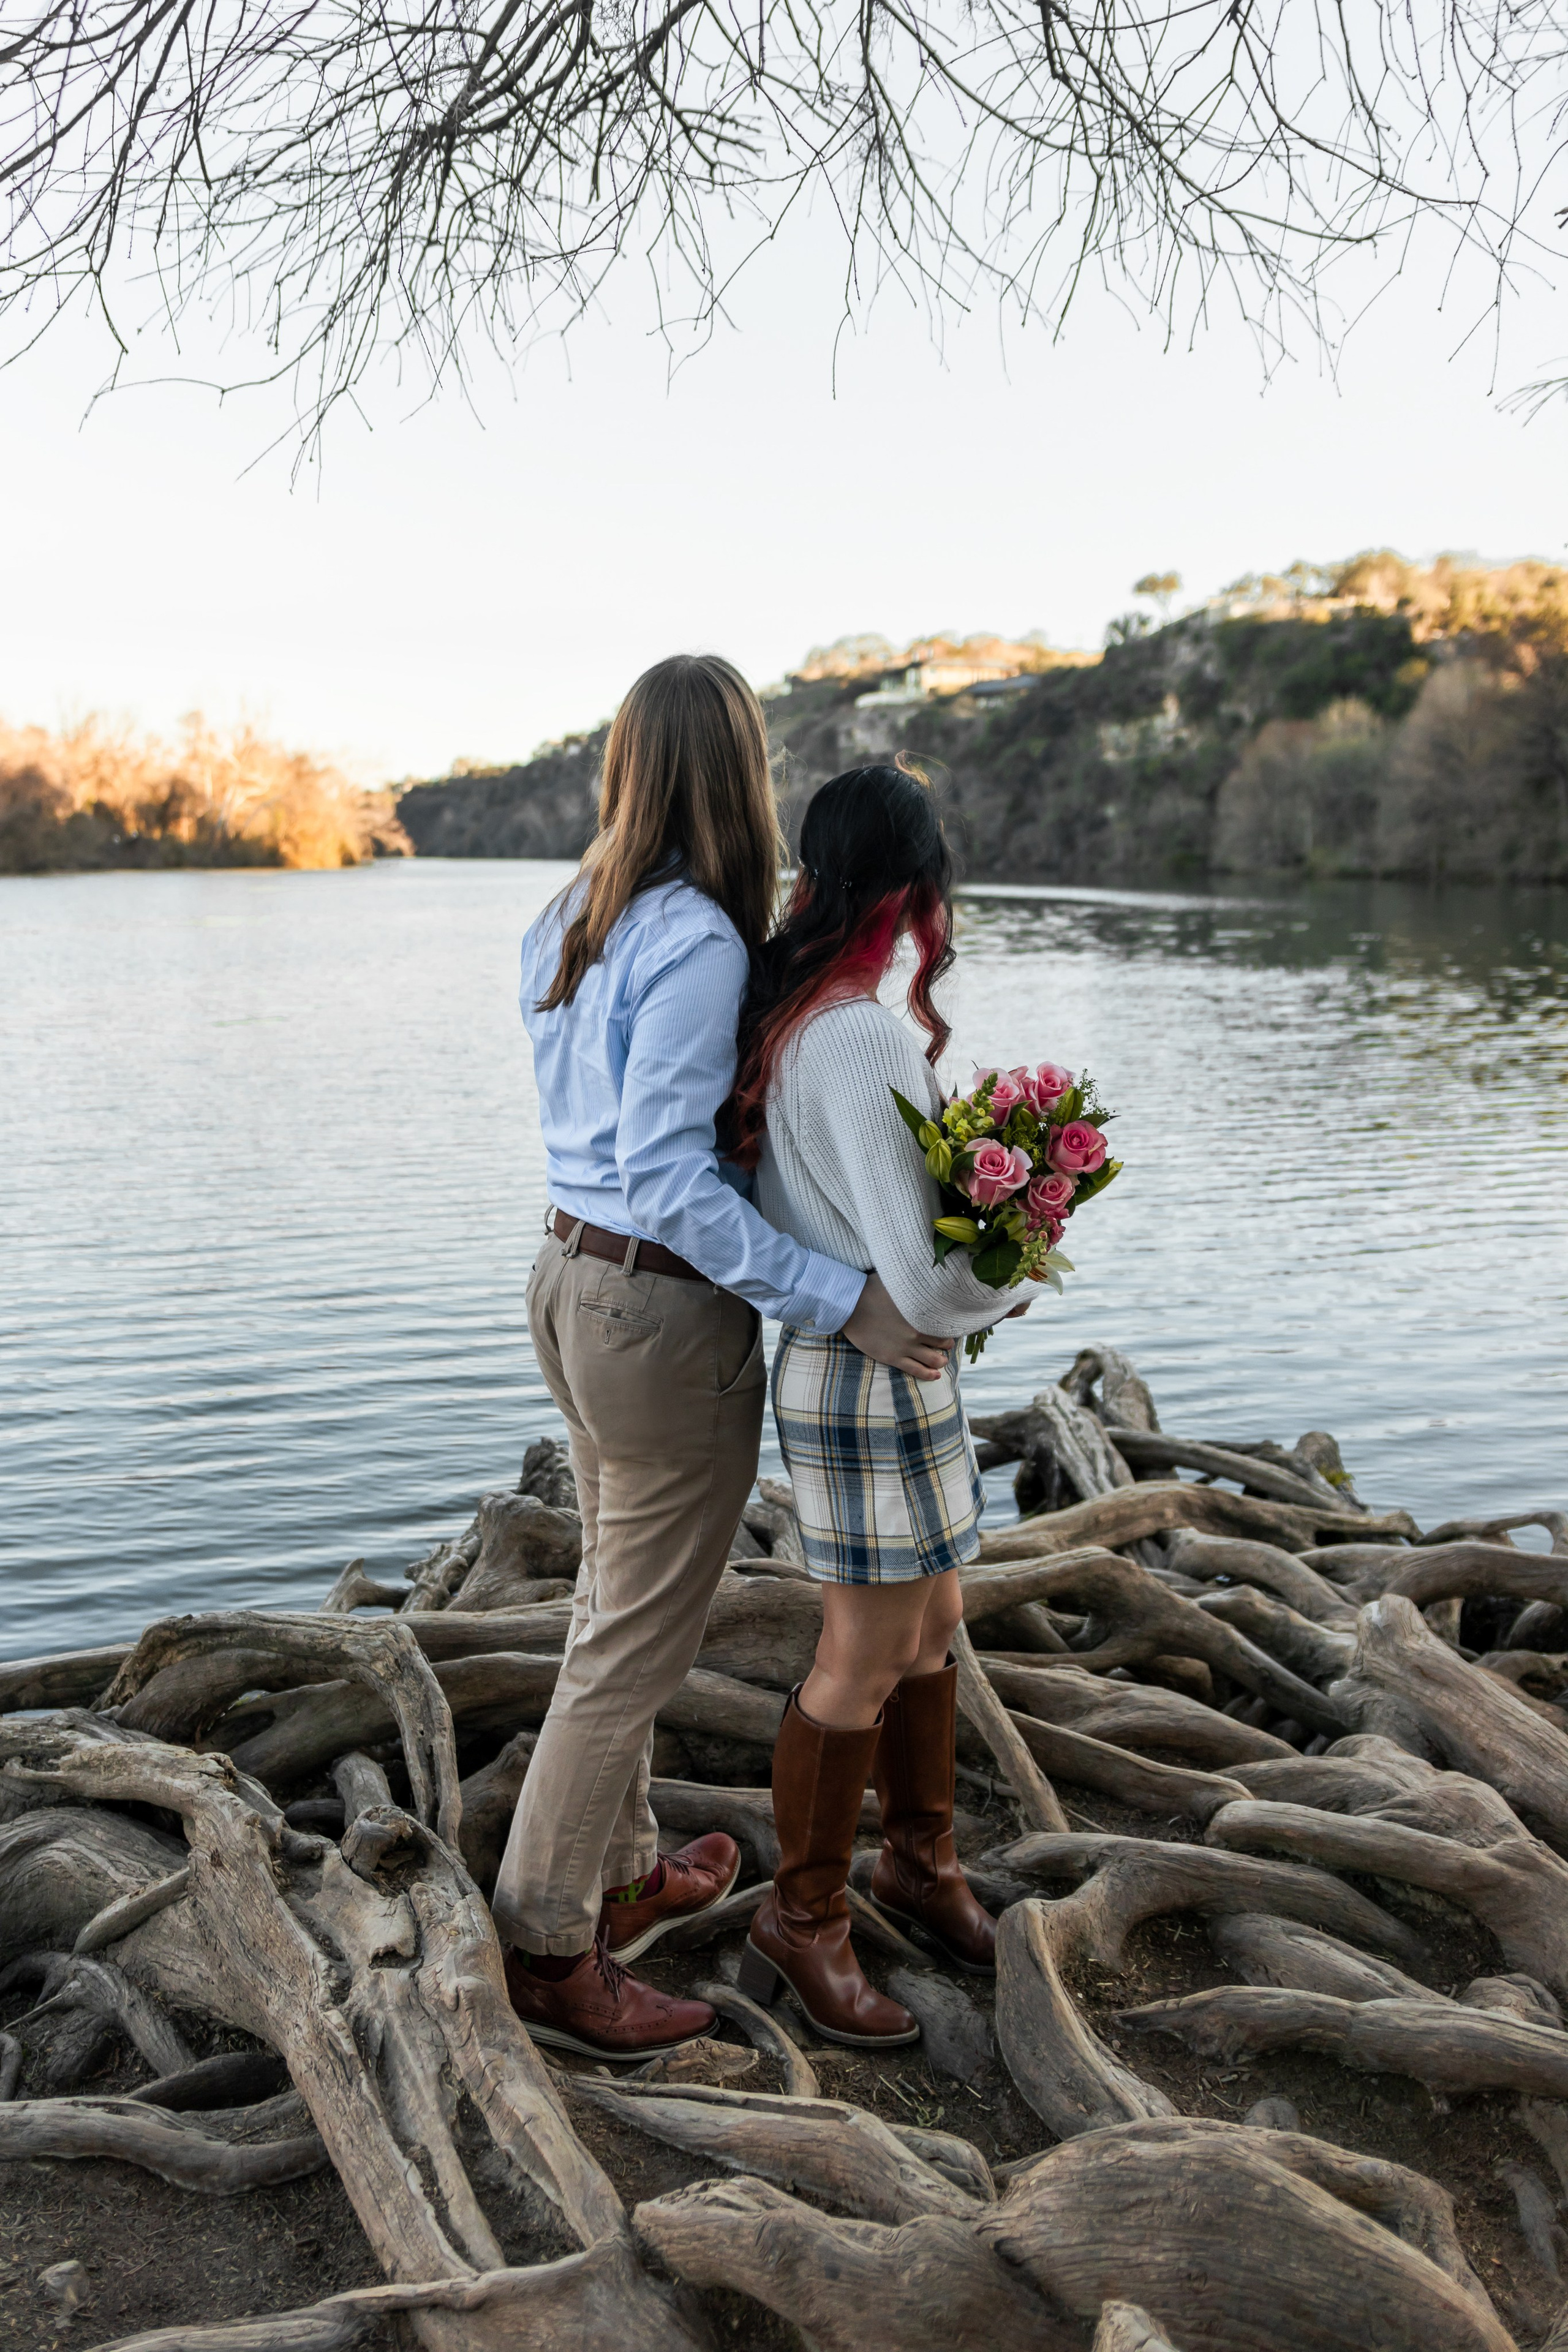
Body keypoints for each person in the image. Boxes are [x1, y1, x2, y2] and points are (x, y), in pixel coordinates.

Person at [494, 658, 952, 2062]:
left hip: (567, 1282)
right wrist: (837, 1296)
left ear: (627, 764)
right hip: (654, 1308)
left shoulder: (566, 910)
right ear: (738, 774)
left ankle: (620, 1865)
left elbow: (613, 1154)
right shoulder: (695, 939)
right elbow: (673, 1179)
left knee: (608, 1602)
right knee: (632, 1643)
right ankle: (549, 1948)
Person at [726, 761, 1023, 2046]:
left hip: (880, 1364)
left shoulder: (815, 1015)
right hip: (868, 1373)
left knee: (933, 1622)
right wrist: (1006, 1278)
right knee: (861, 1657)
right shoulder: (856, 1033)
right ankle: (804, 1923)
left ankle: (921, 1862)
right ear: (912, 885)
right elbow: (917, 1268)